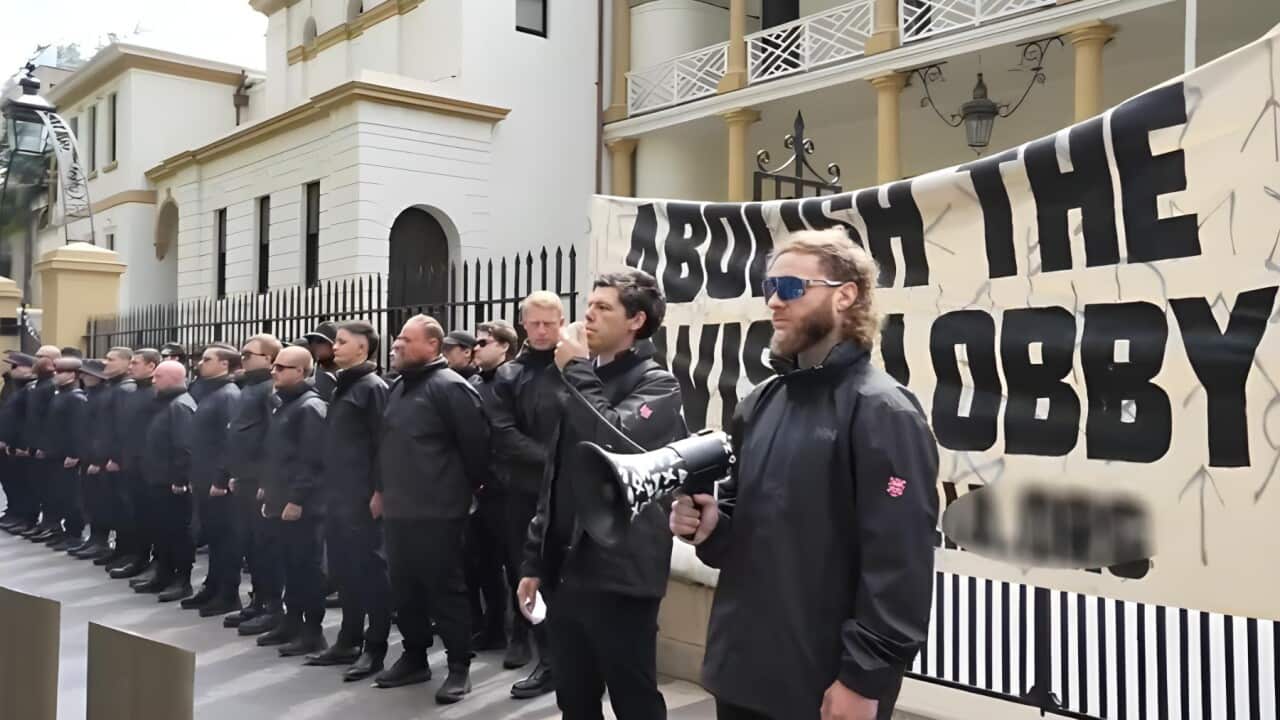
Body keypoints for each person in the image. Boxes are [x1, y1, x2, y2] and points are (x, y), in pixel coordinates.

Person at [670, 229, 939, 720]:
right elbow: (741, 528)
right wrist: (711, 527)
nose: (774, 301)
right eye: (769, 287)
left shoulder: (883, 410)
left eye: (791, 288)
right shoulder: (761, 402)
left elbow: (899, 564)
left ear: (845, 295)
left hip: (821, 686)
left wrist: (863, 679)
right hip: (740, 673)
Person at [517, 271, 687, 720]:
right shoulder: (582, 378)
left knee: (634, 698)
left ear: (636, 320)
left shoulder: (659, 384)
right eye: (588, 305)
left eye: (603, 307)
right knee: (573, 696)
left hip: (621, 573)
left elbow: (615, 440)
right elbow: (557, 477)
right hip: (567, 568)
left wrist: (574, 370)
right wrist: (535, 561)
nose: (587, 315)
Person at [375, 314, 490, 704]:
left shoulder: (451, 388)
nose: (397, 346)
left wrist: (461, 494)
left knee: (446, 590)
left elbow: (476, 449)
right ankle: (414, 656)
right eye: (396, 340)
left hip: (438, 512)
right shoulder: (398, 388)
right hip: (399, 510)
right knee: (404, 588)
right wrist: (381, 490)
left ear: (433, 346)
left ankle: (459, 667)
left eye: (406, 340)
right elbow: (387, 445)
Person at [304, 320, 392, 682]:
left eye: (341, 342)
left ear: (363, 348)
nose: (333, 347)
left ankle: (374, 648)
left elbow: (383, 444)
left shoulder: (372, 387)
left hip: (362, 498)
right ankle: (348, 639)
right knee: (344, 570)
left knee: (370, 573)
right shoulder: (344, 385)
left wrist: (379, 491)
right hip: (337, 496)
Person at [489, 292, 565, 694]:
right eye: (534, 323)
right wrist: (553, 461)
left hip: (572, 491)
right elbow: (503, 432)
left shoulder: (577, 367)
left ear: (561, 322)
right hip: (523, 491)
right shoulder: (508, 375)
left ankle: (580, 661)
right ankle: (546, 660)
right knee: (530, 576)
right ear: (522, 325)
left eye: (548, 324)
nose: (541, 331)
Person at [255, 345, 329, 657]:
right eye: (274, 366)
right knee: (289, 564)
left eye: (282, 367)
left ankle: (312, 631)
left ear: (301, 371)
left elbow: (312, 460)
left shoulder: (309, 407)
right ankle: (291, 621)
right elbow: (277, 454)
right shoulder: (283, 403)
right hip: (280, 497)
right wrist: (267, 487)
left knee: (305, 567)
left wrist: (297, 499)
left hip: (301, 504)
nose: (274, 371)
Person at [465, 319, 519, 658]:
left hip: (509, 488)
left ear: (504, 346)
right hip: (479, 487)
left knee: (515, 565)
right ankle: (493, 628)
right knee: (482, 563)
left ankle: (523, 638)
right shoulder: (472, 382)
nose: (476, 348)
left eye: (483, 342)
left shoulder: (513, 381)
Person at [225, 334, 284, 633]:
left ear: (269, 359)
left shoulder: (267, 390)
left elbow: (272, 438)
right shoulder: (247, 387)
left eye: (249, 354)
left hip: (258, 481)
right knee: (248, 542)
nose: (243, 358)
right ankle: (258, 601)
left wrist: (265, 479)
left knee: (264, 546)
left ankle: (272, 605)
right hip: (244, 477)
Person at [182, 344, 243, 616]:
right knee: (214, 535)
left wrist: (221, 477)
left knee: (225, 538)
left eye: (207, 360)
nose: (200, 364)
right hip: (202, 476)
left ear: (224, 365)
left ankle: (228, 593)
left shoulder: (228, 395)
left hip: (218, 482)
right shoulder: (207, 390)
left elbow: (230, 442)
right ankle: (213, 585)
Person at [137, 361, 198, 603]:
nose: (153, 380)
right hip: (157, 479)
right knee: (161, 530)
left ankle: (181, 580)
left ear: (174, 378)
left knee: (177, 533)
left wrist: (180, 479)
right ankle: (163, 574)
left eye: (158, 376)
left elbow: (185, 447)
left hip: (172, 484)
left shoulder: (181, 406)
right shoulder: (166, 403)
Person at [112, 349, 162, 581]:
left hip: (149, 466)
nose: (131, 367)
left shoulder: (156, 394)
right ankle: (138, 557)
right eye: (130, 362)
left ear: (152, 367)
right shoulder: (132, 392)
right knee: (136, 515)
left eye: (136, 363)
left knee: (153, 517)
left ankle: (156, 561)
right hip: (131, 463)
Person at [92, 348, 138, 569]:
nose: (105, 363)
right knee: (115, 508)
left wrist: (117, 458)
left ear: (128, 363)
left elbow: (125, 429)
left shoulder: (126, 389)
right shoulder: (114, 387)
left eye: (111, 360)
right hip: (107, 459)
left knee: (125, 509)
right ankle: (120, 549)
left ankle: (129, 552)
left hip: (119, 462)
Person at [41, 357, 88, 550]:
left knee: (71, 497)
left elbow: (79, 429)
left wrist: (75, 453)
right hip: (55, 453)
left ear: (73, 375)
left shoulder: (76, 397)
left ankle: (73, 534)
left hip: (67, 456)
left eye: (61, 372)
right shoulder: (60, 394)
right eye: (56, 371)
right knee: (58, 495)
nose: (56, 375)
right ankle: (61, 532)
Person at [17, 346, 63, 541]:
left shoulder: (52, 385)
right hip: (33, 443)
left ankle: (52, 524)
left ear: (53, 361)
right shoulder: (36, 384)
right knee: (37, 486)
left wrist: (45, 446)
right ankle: (44, 522)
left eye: (41, 356)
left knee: (50, 488)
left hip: (46, 447)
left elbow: (50, 420)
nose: (36, 359)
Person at [68, 360, 112, 559]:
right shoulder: (90, 396)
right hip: (87, 456)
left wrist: (96, 459)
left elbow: (103, 432)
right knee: (89, 500)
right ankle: (94, 538)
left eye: (88, 374)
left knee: (100, 501)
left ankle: (100, 540)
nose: (83, 377)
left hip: (97, 459)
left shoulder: (103, 397)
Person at [0, 353, 37, 534]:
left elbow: (27, 419)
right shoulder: (10, 385)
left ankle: (25, 517)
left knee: (24, 484)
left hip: (20, 444)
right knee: (10, 481)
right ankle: (14, 511)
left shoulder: (30, 389)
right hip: (8, 444)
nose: (11, 369)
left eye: (16, 366)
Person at [304, 321, 339, 402]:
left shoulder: (348, 375)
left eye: (320, 341)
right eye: (311, 341)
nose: (315, 345)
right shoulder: (307, 373)